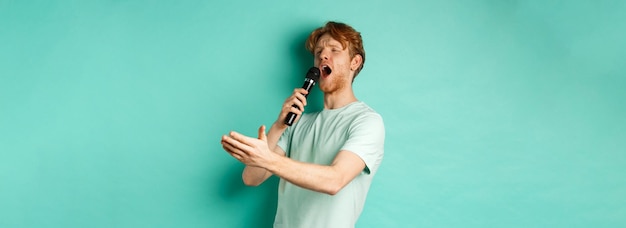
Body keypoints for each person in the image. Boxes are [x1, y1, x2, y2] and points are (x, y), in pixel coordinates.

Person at [221, 21, 385, 228]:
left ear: (355, 62)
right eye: (319, 52)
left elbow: (335, 180)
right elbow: (251, 178)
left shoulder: (367, 121)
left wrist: (267, 158)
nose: (323, 56)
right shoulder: (298, 123)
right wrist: (279, 125)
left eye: (334, 50)